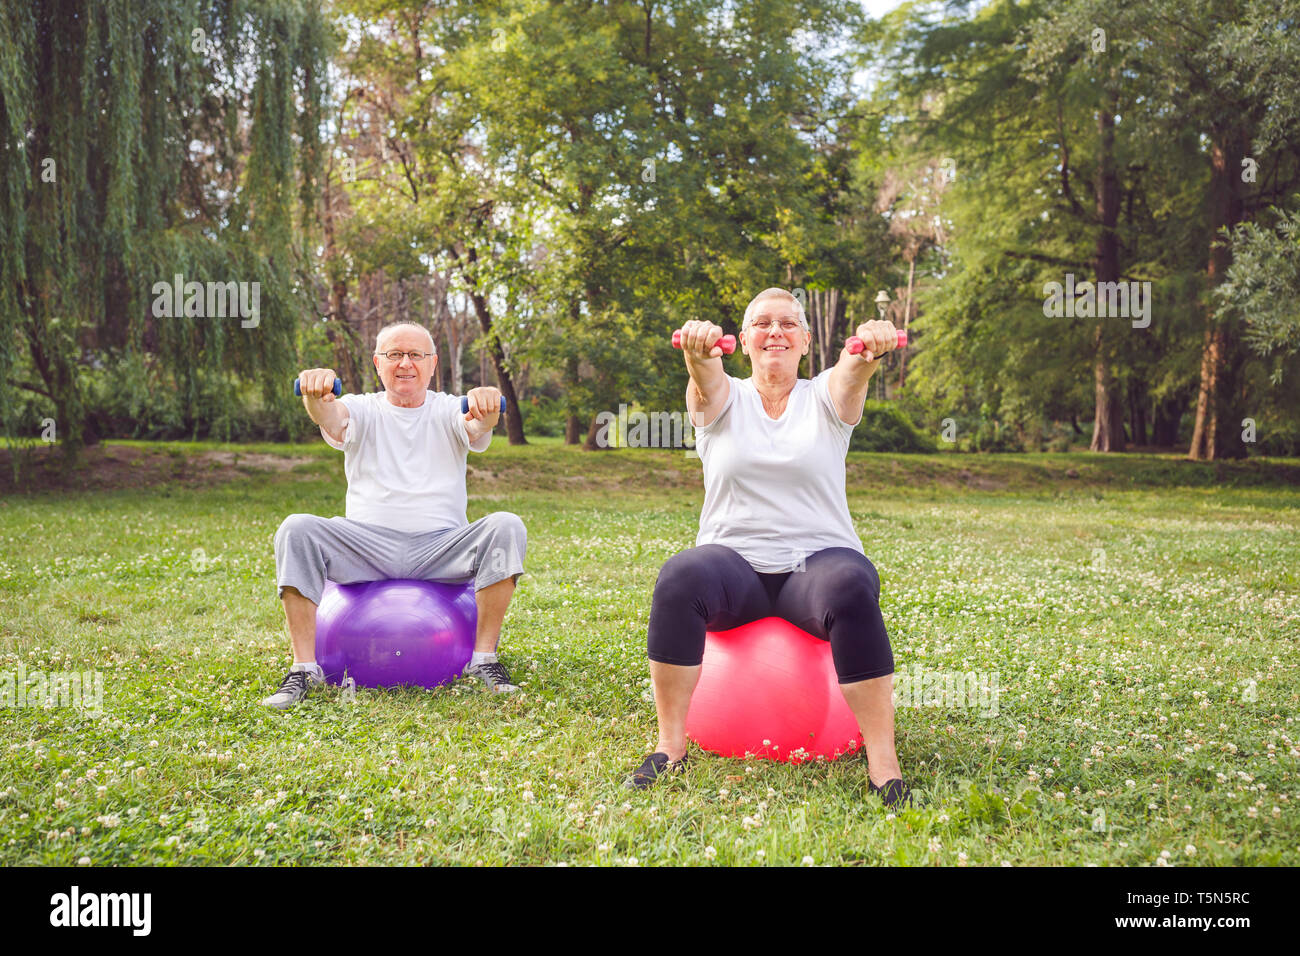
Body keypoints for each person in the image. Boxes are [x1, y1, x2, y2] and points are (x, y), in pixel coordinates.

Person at [626, 288, 912, 807]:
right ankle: (670, 745)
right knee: (679, 577)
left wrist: (868, 351)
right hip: (734, 567)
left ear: (806, 340)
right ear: (745, 340)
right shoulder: (722, 396)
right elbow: (705, 384)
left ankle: (883, 762)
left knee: (850, 584)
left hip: (819, 564)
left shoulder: (826, 395)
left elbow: (852, 374)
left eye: (787, 323)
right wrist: (697, 354)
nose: (774, 331)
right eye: (761, 323)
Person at [262, 322, 526, 708]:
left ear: (433, 363)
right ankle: (304, 668)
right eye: (394, 355)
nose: (405, 363)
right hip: (367, 546)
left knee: (506, 525)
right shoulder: (361, 407)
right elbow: (328, 416)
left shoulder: (449, 408)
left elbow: (476, 425)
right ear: (377, 363)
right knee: (296, 529)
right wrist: (315, 392)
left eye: (416, 355)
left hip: (441, 548)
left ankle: (484, 660)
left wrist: (485, 407)